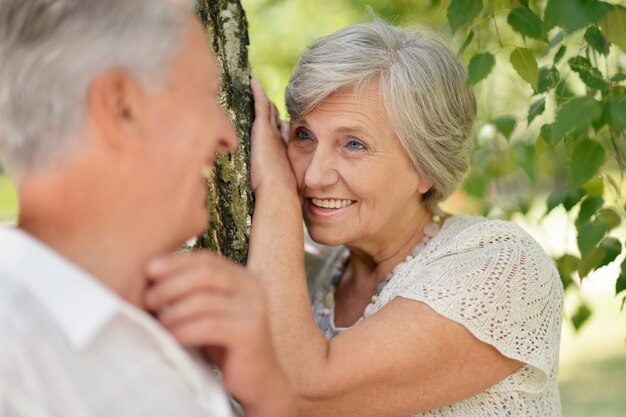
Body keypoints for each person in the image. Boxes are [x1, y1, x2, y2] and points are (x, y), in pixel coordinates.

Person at [149, 20, 564, 417]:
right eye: (304, 136)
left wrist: (276, 192)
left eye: (353, 144)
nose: (313, 175)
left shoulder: (501, 270)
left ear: (425, 165)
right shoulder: (308, 274)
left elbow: (300, 387)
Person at [0, 0, 294, 416]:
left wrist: (268, 399)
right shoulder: (15, 365)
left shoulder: (171, 324)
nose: (228, 135)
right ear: (123, 107)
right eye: (206, 94)